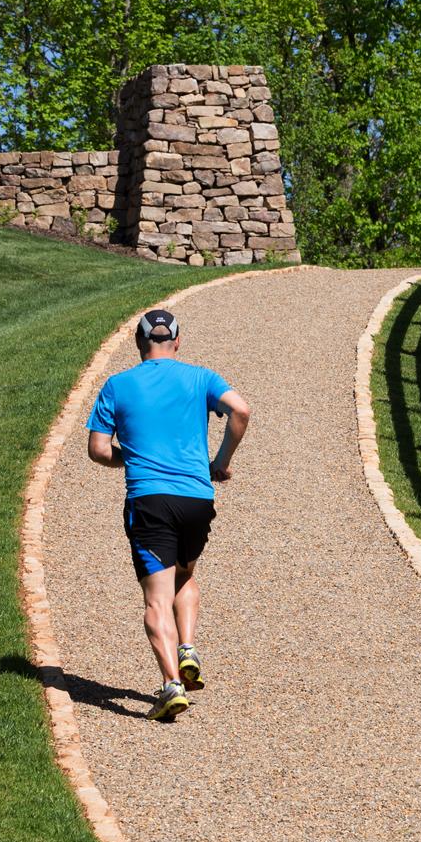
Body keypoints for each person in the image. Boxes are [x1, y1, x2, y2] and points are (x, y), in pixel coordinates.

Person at [86, 309, 251, 721]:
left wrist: (133, 458)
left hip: (149, 501)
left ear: (138, 343)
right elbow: (241, 411)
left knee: (156, 598)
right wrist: (221, 462)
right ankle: (188, 647)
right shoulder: (201, 378)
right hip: (198, 498)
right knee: (185, 575)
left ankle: (170, 686)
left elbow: (99, 450)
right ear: (177, 341)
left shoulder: (117, 386)